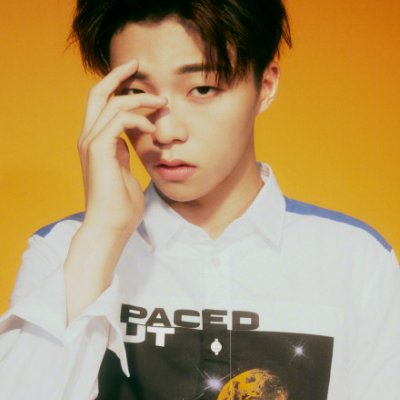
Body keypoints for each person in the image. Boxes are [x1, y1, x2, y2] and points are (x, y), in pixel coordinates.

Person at [0, 1, 399, 399]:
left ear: (265, 86)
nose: (165, 131)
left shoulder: (356, 261)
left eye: (203, 89)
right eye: (136, 92)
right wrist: (102, 236)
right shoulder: (65, 251)